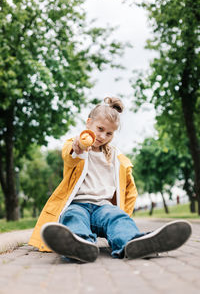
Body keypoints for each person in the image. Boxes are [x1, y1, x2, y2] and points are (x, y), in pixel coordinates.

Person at [29, 97, 192, 262]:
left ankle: (133, 243)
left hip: (103, 208)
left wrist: (123, 215)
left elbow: (129, 191)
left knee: (117, 218)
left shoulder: (117, 158)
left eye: (109, 133)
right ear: (89, 123)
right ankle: (79, 246)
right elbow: (70, 155)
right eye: (99, 128)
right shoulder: (77, 145)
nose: (102, 136)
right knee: (72, 217)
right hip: (78, 205)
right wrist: (79, 146)